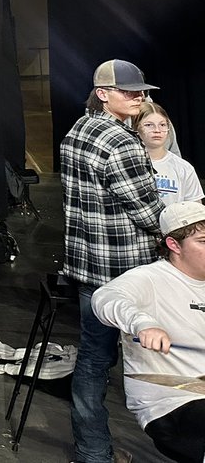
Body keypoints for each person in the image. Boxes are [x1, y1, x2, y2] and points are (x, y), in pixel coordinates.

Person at [61, 59, 164, 463]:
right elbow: (147, 213)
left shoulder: (77, 129)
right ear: (103, 94)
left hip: (89, 269)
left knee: (93, 357)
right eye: (129, 92)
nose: (139, 97)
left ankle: (93, 453)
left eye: (141, 91)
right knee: (159, 351)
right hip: (127, 270)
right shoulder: (121, 142)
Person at [90, 202, 205, 463]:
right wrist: (142, 322)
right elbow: (105, 297)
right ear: (174, 245)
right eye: (203, 241)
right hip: (171, 402)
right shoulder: (149, 278)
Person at [133, 102, 201, 206]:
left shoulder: (184, 168)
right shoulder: (128, 163)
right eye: (149, 125)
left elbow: (195, 210)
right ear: (136, 128)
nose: (157, 130)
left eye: (162, 125)